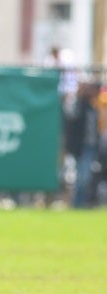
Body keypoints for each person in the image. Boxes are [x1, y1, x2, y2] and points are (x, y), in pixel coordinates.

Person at [64, 78, 102, 208]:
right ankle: (77, 203)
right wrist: (79, 95)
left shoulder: (92, 107)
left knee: (86, 176)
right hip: (80, 147)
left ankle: (81, 202)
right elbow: (71, 117)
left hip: (91, 147)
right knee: (82, 176)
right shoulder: (79, 105)